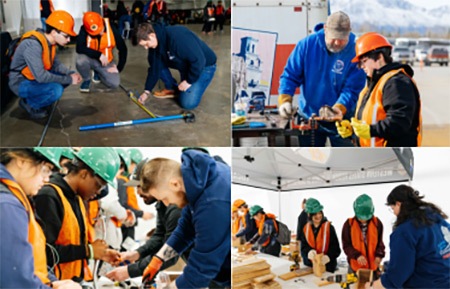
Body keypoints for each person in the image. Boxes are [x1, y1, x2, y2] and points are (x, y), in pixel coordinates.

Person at [139, 149, 231, 288]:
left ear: (175, 184)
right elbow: (184, 230)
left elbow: (202, 269)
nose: (166, 204)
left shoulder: (212, 204)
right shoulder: (197, 183)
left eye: (164, 198)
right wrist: (158, 260)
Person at [278, 11, 366, 147]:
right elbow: (290, 75)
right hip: (309, 117)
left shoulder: (356, 52)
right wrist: (285, 99)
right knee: (311, 162)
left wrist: (338, 109)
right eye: (333, 38)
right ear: (325, 29)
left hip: (341, 119)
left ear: (349, 32)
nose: (337, 43)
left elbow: (352, 89)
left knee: (346, 160)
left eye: (342, 38)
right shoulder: (306, 45)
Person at [34, 148, 122, 282]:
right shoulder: (49, 196)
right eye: (99, 186)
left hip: (72, 281)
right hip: (54, 283)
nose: (99, 192)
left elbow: (70, 241)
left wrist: (98, 253)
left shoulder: (77, 199)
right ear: (85, 174)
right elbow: (43, 252)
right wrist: (88, 251)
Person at [0, 148, 81, 289]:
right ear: (21, 160)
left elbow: (30, 259)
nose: (47, 178)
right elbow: (15, 282)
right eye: (45, 169)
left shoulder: (15, 198)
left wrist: (52, 281)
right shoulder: (7, 205)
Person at [105, 158, 191, 282]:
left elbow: (171, 253)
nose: (138, 192)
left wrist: (129, 271)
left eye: (141, 187)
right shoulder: (162, 205)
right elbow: (160, 236)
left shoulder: (176, 208)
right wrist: (136, 254)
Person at [336, 32, 422, 147]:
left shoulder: (396, 82)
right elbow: (372, 119)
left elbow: (399, 123)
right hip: (375, 158)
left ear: (379, 57)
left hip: (392, 159)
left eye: (364, 61)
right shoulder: (374, 84)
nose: (361, 67)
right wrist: (354, 130)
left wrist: (371, 131)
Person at [367, 185, 450, 289]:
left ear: (398, 204)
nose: (394, 213)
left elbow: (399, 272)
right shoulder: (437, 219)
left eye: (393, 208)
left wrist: (375, 285)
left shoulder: (406, 231)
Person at [8, 10, 81, 119]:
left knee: (70, 76)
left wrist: (70, 74)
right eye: (66, 36)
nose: (69, 39)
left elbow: (56, 65)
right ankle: (29, 103)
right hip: (20, 82)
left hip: (33, 77)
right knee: (56, 90)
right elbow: (41, 77)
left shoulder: (50, 43)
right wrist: (69, 79)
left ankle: (39, 97)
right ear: (54, 32)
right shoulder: (33, 45)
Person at [133, 23, 217, 110]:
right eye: (143, 46)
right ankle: (171, 88)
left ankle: (192, 82)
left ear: (152, 35)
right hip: (185, 64)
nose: (146, 48)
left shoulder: (177, 37)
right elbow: (154, 69)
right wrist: (146, 91)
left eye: (146, 44)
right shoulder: (154, 45)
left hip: (204, 66)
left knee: (187, 103)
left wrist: (189, 81)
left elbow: (199, 60)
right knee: (157, 64)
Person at [76, 12, 127, 93]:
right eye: (95, 33)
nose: (100, 33)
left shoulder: (111, 27)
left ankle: (98, 72)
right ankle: (86, 80)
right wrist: (99, 55)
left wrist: (119, 68)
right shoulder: (84, 28)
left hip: (106, 61)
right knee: (80, 60)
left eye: (101, 30)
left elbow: (123, 48)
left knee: (114, 84)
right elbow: (79, 48)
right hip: (91, 59)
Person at [115, 148, 153, 250]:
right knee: (125, 252)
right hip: (126, 225)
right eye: (135, 166)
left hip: (127, 223)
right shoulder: (122, 181)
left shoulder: (125, 181)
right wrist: (141, 214)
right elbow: (123, 204)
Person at [342, 194, 385, 274]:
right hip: (355, 269)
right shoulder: (348, 225)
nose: (363, 219)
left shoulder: (377, 223)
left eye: (366, 217)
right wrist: (357, 255)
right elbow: (346, 246)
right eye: (361, 217)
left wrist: (379, 255)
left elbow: (380, 243)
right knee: (354, 286)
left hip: (373, 268)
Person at [300, 198, 341, 272]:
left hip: (327, 267)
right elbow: (303, 247)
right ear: (309, 214)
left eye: (320, 213)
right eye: (315, 214)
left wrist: (328, 257)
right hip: (312, 267)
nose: (318, 216)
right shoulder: (306, 229)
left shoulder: (329, 228)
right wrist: (308, 252)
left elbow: (336, 249)